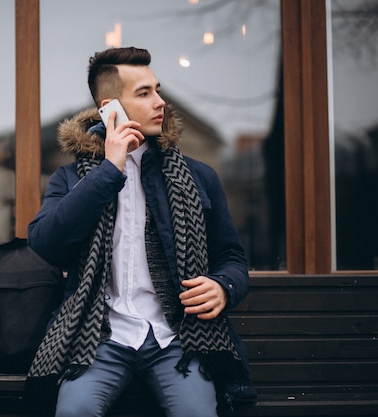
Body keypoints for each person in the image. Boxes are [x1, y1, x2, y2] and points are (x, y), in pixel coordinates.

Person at [25, 47, 254, 417]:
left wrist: (223, 287)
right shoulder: (71, 178)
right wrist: (109, 170)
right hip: (99, 339)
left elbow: (232, 258)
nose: (160, 102)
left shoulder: (198, 177)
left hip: (179, 339)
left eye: (157, 89)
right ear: (109, 107)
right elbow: (46, 244)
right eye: (144, 93)